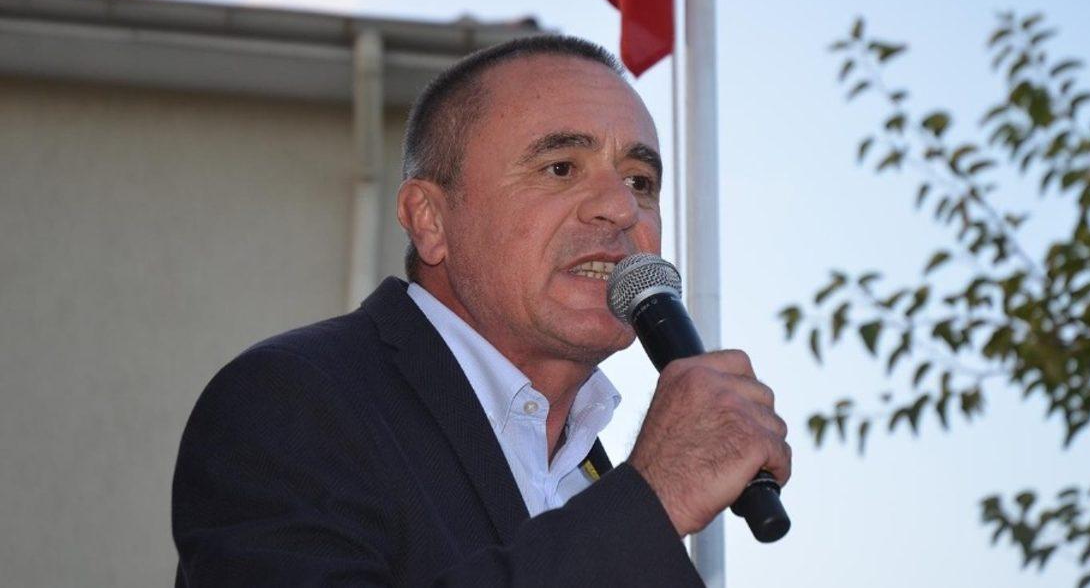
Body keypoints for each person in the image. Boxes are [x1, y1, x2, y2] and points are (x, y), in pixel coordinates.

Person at [172, 35, 791, 586]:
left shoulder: (599, 484)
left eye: (640, 182)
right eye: (560, 168)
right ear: (430, 221)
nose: (620, 208)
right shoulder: (294, 399)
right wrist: (652, 500)